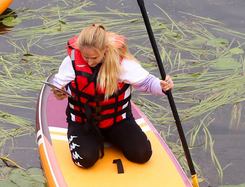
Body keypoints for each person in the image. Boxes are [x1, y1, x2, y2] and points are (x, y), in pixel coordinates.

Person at [50, 23, 174, 169]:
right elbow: (58, 86)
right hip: (83, 122)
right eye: (85, 57)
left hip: (118, 121)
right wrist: (58, 93)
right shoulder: (70, 62)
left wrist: (162, 86)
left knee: (142, 155)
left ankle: (111, 137)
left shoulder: (122, 63)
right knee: (85, 160)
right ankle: (92, 141)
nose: (89, 62)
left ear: (105, 49)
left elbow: (146, 83)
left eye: (94, 57)